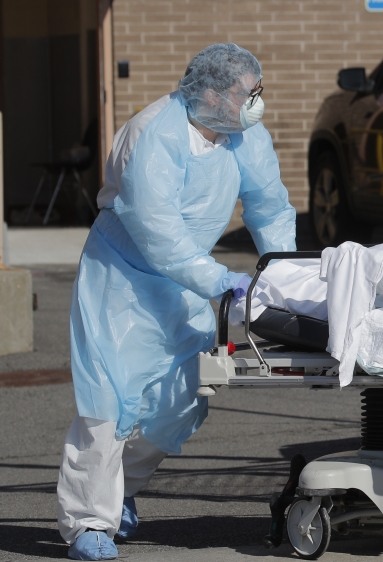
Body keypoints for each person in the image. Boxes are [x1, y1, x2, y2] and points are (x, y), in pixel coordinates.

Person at [56, 43, 296, 560]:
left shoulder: (243, 135)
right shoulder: (152, 135)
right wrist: (219, 280)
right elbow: (158, 233)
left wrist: (287, 269)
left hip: (185, 283)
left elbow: (268, 203)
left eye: (259, 91)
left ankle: (118, 493)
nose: (257, 102)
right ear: (211, 93)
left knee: (181, 401)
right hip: (121, 280)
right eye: (247, 93)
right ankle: (87, 523)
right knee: (108, 405)